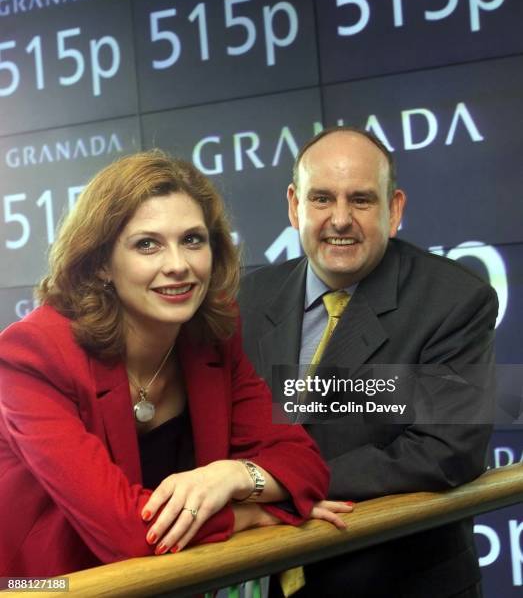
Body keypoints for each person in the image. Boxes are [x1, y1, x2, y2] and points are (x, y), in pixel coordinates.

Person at [0, 151, 350, 578]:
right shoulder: (32, 353)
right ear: (101, 264)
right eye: (147, 244)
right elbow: (127, 534)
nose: (178, 266)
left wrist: (233, 477)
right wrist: (252, 515)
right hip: (42, 587)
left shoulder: (211, 335)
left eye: (192, 240)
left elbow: (305, 463)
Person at [238, 127, 498, 598]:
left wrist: (278, 483)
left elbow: (445, 450)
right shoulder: (247, 299)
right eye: (321, 199)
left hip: (401, 586)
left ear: (394, 209)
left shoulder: (455, 299)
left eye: (360, 200)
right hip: (272, 580)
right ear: (294, 205)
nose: (340, 219)